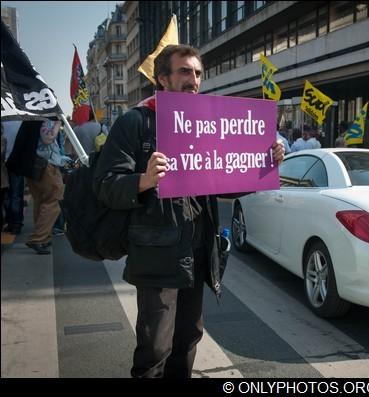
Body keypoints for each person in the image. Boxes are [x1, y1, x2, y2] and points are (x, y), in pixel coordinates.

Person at [93, 44, 284, 378]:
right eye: (184, 71)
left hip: (197, 252)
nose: (193, 79)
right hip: (156, 254)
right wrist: (144, 179)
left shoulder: (207, 122)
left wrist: (263, 164)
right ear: (163, 78)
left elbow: (226, 182)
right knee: (155, 349)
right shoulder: (136, 123)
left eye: (197, 73)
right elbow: (106, 185)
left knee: (187, 339)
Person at [25, 120, 70, 255]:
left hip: (34, 165)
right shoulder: (47, 121)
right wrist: (57, 124)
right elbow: (47, 139)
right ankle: (38, 238)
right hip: (47, 165)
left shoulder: (30, 120)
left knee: (40, 201)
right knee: (55, 200)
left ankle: (43, 237)